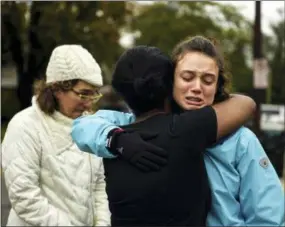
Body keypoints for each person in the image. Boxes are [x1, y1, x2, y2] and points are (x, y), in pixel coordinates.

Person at [71, 36, 284, 226]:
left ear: (218, 85)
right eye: (187, 77)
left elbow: (268, 216)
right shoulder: (138, 124)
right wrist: (116, 140)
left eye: (208, 80)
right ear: (169, 81)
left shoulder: (240, 141)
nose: (197, 87)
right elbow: (83, 126)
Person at [1, 45, 110, 226]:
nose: (89, 104)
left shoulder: (91, 126)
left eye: (93, 95)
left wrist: (103, 223)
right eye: (83, 94)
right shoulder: (24, 126)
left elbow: (99, 185)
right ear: (58, 89)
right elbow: (25, 198)